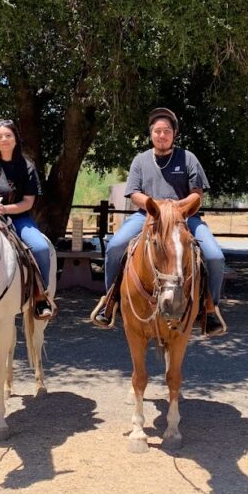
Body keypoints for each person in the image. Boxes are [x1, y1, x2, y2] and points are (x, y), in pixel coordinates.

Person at [92, 108, 226, 336]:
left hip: (185, 217)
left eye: (166, 131)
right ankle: (111, 300)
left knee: (215, 256)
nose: (161, 135)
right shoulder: (141, 160)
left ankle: (210, 308)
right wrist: (156, 206)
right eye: (157, 131)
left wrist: (175, 208)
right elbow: (134, 193)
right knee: (115, 246)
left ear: (174, 133)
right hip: (148, 216)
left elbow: (197, 194)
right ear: (151, 134)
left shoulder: (188, 158)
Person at [0, 119, 53, 319]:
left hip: (18, 217)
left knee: (40, 247)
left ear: (15, 139)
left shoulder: (27, 167)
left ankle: (41, 296)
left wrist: (5, 209)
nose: (4, 139)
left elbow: (28, 202)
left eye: (8, 135)